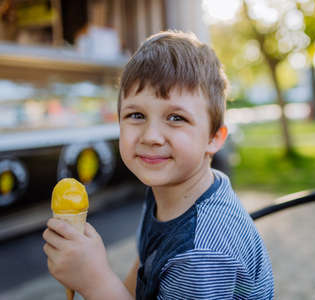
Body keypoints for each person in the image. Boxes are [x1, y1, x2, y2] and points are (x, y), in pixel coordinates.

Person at [42, 30, 274, 299]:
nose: (151, 136)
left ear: (214, 138)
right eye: (136, 115)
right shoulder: (168, 192)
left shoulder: (200, 254)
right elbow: (142, 271)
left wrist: (95, 280)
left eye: (176, 118)